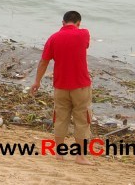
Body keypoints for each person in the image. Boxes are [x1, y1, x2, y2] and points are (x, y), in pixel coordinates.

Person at [30, 11, 93, 164]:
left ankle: (59, 153)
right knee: (82, 119)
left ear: (62, 22)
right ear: (78, 23)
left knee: (60, 118)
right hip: (81, 85)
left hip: (60, 85)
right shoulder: (83, 34)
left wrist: (37, 81)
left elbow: (44, 62)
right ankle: (80, 157)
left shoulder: (53, 38)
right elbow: (85, 45)